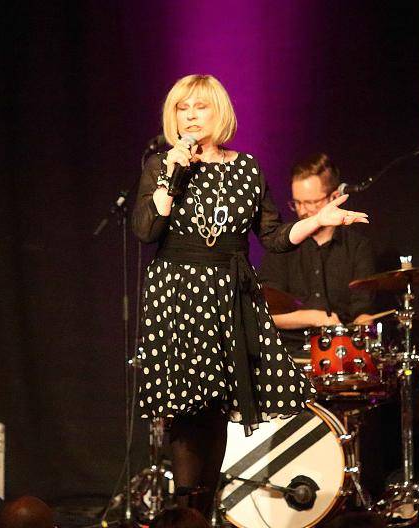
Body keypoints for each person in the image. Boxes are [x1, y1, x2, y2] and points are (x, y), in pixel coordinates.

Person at [130, 74, 369, 515]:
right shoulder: (161, 165)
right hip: (178, 295)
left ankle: (204, 511)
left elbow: (273, 237)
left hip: (228, 296)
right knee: (186, 410)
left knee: (218, 408)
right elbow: (146, 230)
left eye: (200, 106)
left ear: (219, 111)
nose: (190, 116)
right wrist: (169, 177)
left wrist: (317, 221)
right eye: (182, 108)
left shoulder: (247, 168)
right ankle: (186, 513)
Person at [256, 153, 376, 358]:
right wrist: (313, 317)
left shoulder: (357, 247)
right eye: (297, 203)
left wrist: (362, 332)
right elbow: (265, 313)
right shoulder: (281, 245)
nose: (303, 211)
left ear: (334, 197)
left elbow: (363, 311)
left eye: (311, 202)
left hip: (340, 354)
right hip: (289, 356)